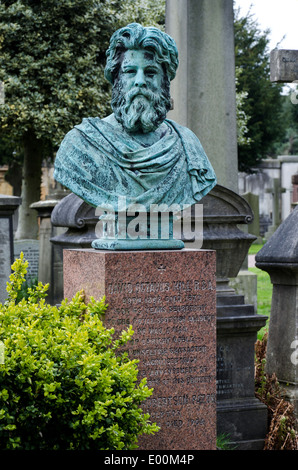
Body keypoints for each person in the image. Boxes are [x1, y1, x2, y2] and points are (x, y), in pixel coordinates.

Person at [54, 23, 216, 214]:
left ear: (164, 81)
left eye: (150, 72)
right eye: (130, 71)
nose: (140, 81)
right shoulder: (80, 144)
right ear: (116, 79)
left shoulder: (187, 146)